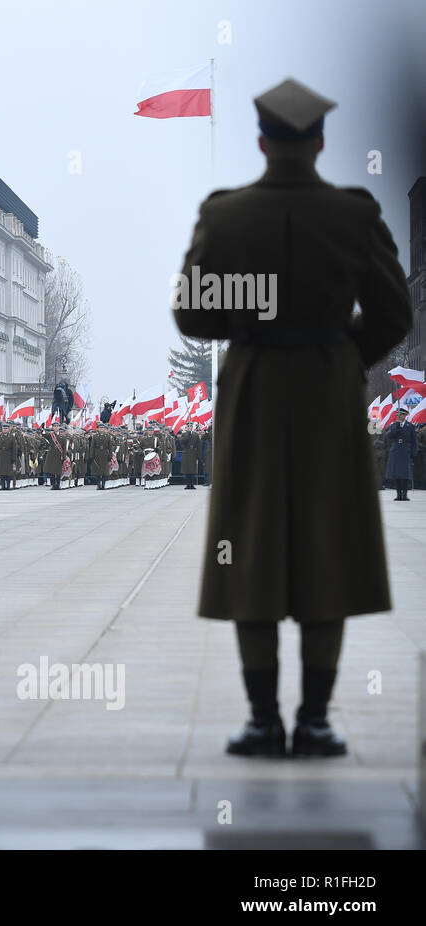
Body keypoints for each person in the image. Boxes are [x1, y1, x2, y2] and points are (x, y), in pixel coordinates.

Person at [173, 78, 411, 758]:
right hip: (328, 394)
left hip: (252, 389)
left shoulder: (225, 214)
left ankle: (261, 721)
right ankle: (313, 720)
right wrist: (337, 353)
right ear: (320, 142)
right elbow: (396, 313)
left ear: (261, 141)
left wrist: (250, 327)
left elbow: (191, 314)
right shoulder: (354, 214)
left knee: (249, 546)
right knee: (326, 544)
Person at [383, 406, 419, 500]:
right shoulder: (394, 425)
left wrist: (414, 453)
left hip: (406, 450)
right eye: (397, 415)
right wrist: (397, 428)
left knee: (405, 474)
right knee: (397, 474)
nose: (398, 416)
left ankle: (405, 494)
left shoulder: (410, 426)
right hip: (396, 450)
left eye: (401, 415)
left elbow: (414, 441)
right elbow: (390, 436)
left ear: (405, 415)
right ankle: (398, 494)